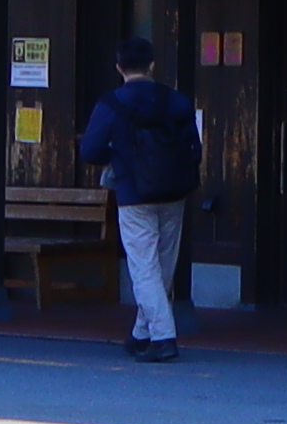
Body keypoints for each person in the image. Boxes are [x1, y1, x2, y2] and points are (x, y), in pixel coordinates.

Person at [81, 34, 200, 360]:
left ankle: (163, 337)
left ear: (119, 66)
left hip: (133, 193)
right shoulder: (177, 101)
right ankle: (140, 333)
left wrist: (118, 155)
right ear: (151, 65)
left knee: (143, 266)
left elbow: (89, 150)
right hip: (175, 191)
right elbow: (195, 148)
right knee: (163, 263)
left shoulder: (110, 104)